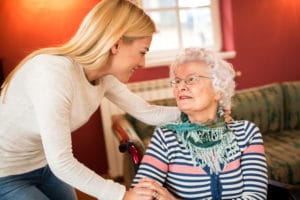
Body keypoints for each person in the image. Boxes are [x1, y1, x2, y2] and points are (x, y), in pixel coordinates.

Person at [0, 0, 182, 199]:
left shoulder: (104, 76)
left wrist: (206, 111)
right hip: (6, 172)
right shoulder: (52, 73)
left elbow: (148, 113)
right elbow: (62, 162)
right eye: (142, 52)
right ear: (116, 44)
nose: (143, 63)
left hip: (44, 164)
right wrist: (122, 195)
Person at [132, 48, 268, 199]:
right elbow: (139, 196)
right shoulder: (165, 137)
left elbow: (256, 197)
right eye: (177, 81)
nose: (180, 87)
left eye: (191, 79)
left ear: (218, 90)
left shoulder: (247, 133)